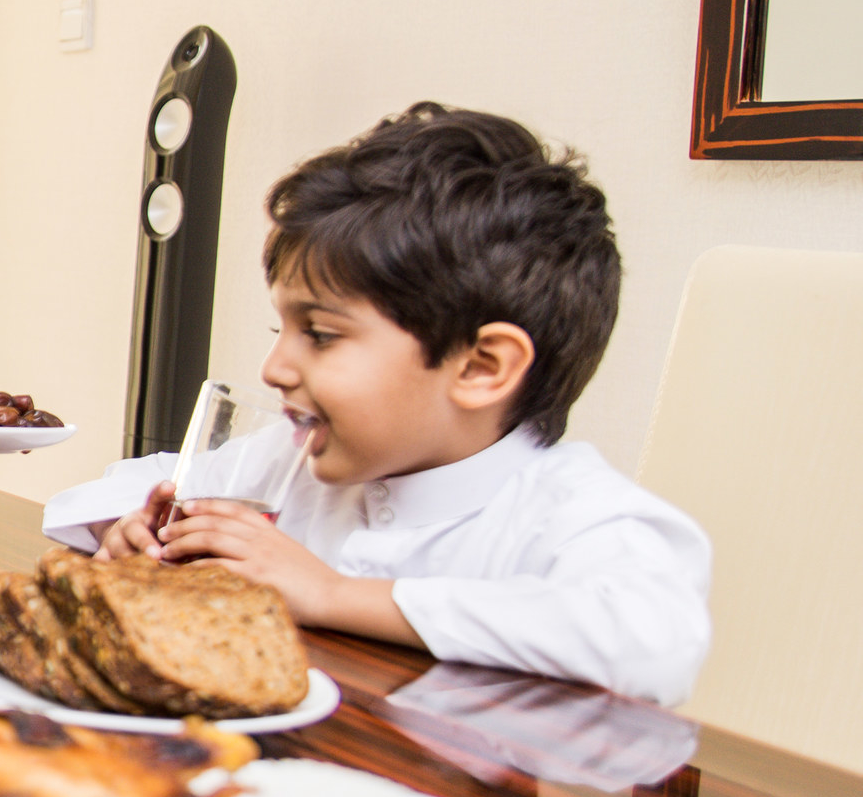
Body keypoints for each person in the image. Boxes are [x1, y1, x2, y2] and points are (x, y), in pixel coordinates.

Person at [47, 105, 711, 706]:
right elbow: (137, 485)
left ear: (481, 367)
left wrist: (334, 595)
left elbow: (654, 642)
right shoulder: (293, 459)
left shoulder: (571, 514)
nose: (275, 367)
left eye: (322, 334)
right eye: (280, 330)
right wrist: (130, 529)